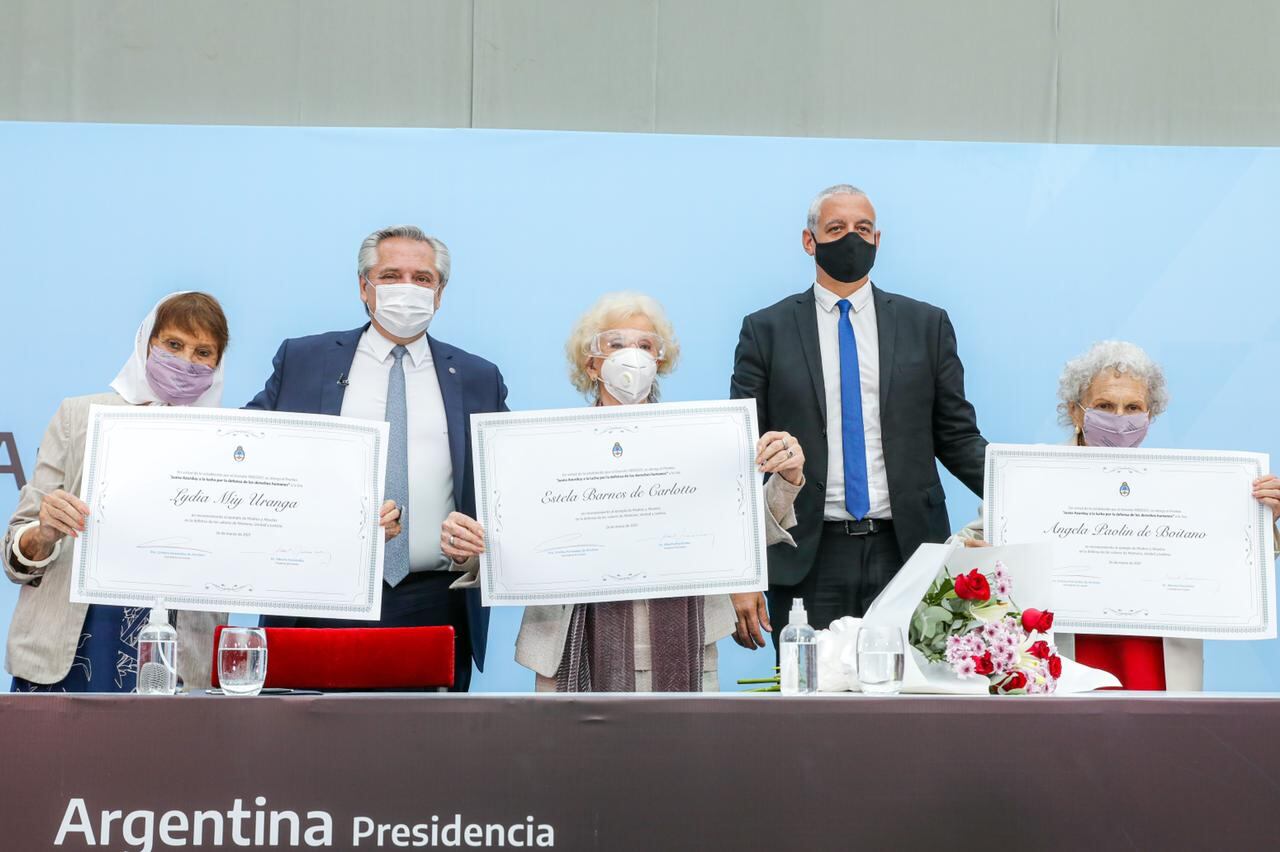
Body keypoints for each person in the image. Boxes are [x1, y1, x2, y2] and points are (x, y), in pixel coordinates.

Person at [441, 292, 806, 691]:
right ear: (591, 362)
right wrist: (469, 549)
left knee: (683, 755)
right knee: (575, 757)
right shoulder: (542, 450)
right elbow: (513, 545)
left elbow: (745, 535)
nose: (632, 356)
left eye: (645, 345)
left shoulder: (699, 443)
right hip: (567, 653)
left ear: (660, 361)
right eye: (616, 345)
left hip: (688, 650)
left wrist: (787, 479)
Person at [246, 225, 506, 692]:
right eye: (391, 275)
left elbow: (509, 486)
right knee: (311, 752)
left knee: (424, 758)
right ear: (364, 287)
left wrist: (482, 539)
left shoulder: (477, 377)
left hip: (435, 604)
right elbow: (247, 456)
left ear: (440, 293)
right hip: (319, 599)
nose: (408, 288)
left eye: (422, 278)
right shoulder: (305, 360)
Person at [730, 184, 988, 645]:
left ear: (878, 239)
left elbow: (958, 438)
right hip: (808, 552)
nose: (851, 237)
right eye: (836, 228)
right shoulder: (765, 331)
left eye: (862, 228)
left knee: (914, 703)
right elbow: (743, 457)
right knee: (812, 707)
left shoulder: (926, 326)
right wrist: (739, 569)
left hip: (910, 551)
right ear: (810, 241)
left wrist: (1025, 497)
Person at [955, 340, 1280, 690]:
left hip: (1154, 657)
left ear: (1150, 416)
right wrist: (982, 555)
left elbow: (1224, 561)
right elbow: (964, 547)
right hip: (1063, 654)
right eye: (1105, 405)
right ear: (1076, 412)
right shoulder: (1030, 474)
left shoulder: (1183, 486)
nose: (1120, 419)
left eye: (1134, 407)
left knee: (1160, 743)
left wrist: (1265, 520)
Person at [4, 292, 231, 692]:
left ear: (218, 363)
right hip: (76, 643)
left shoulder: (232, 445)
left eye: (203, 352)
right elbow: (15, 557)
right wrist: (43, 533)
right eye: (173, 345)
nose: (185, 362)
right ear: (147, 343)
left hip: (181, 656)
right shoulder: (79, 417)